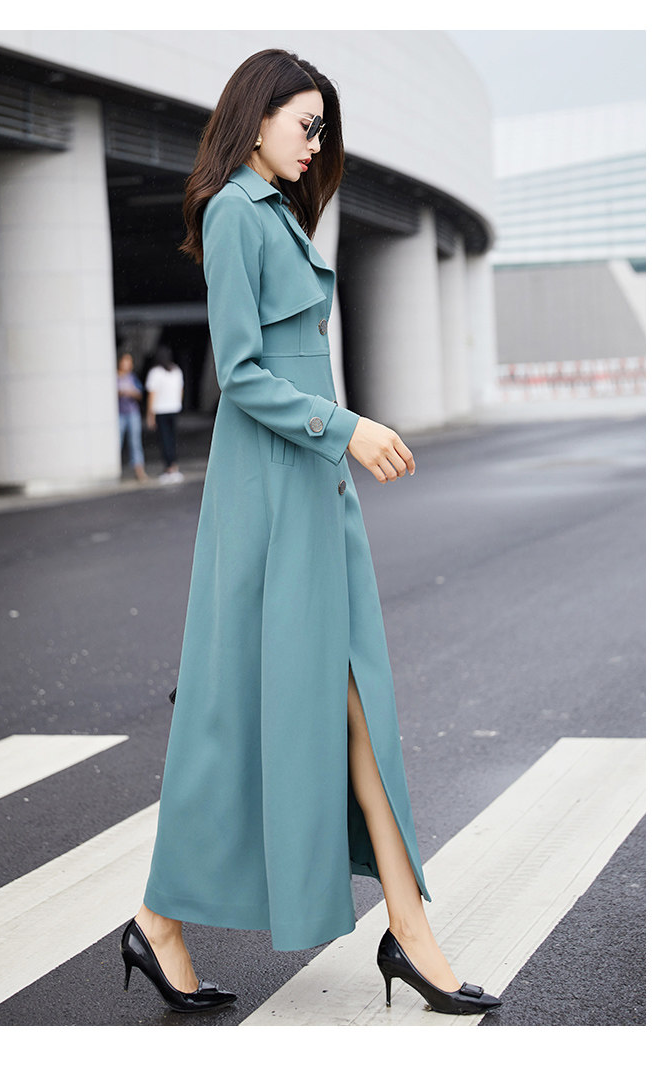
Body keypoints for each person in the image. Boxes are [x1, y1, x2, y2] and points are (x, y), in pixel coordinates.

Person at [120, 49, 502, 1018]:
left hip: (314, 489)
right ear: (255, 119)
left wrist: (337, 443)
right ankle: (166, 921)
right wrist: (349, 427)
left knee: (356, 702)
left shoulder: (283, 215)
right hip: (268, 498)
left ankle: (407, 930)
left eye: (322, 127)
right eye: (305, 123)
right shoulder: (233, 214)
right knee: (238, 716)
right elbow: (242, 373)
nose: (316, 141)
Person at [145, 345, 184, 483]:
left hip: (161, 410)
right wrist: (178, 403)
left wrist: (150, 415)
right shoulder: (176, 371)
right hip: (174, 408)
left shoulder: (155, 373)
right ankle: (175, 467)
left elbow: (152, 395)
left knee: (164, 439)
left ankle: (169, 468)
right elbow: (181, 390)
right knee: (172, 439)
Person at [116, 352, 147, 481]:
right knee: (117, 441)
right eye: (125, 361)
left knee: (135, 441)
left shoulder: (132, 377)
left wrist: (131, 393)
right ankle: (115, 469)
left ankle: (139, 470)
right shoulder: (114, 377)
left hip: (132, 412)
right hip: (119, 414)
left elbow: (140, 394)